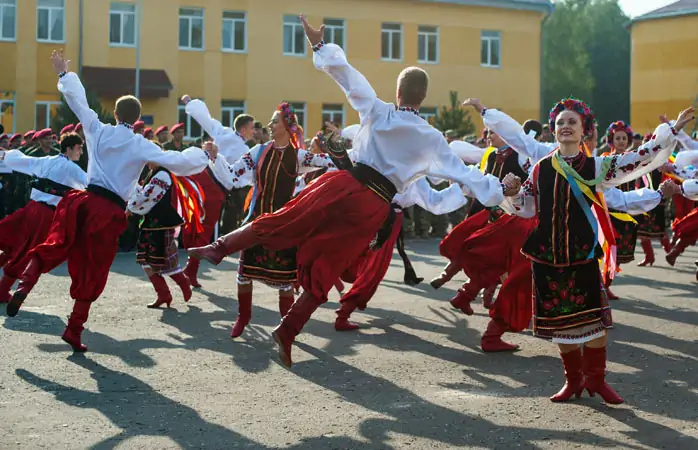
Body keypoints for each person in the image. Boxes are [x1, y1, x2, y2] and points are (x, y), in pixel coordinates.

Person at [188, 16, 519, 367]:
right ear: (423, 98)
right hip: (373, 206)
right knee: (329, 265)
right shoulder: (432, 139)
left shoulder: (378, 111)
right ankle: (287, 330)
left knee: (285, 219)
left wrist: (320, 46)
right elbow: (462, 178)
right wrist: (500, 187)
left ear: (398, 93)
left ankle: (218, 247)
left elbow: (349, 78)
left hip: (345, 184)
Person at [5, 50, 214, 354]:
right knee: (95, 268)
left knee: (55, 243)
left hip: (83, 200)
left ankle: (25, 284)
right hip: (109, 211)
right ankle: (73, 329)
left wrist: (64, 75)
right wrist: (205, 155)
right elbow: (176, 162)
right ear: (137, 119)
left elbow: (80, 105)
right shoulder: (141, 143)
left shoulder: (97, 129)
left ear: (115, 114)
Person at [501, 98, 692, 404]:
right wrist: (511, 193)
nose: (565, 127)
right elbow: (526, 207)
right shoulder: (540, 169)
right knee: (560, 323)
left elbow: (639, 158)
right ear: (553, 129)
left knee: (594, 321)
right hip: (547, 255)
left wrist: (670, 132)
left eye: (572, 123)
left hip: (582, 253)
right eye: (561, 122)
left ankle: (597, 381)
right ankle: (573, 381)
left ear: (584, 131)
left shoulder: (596, 166)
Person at [201, 102, 337, 338]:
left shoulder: (299, 157)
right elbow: (232, 177)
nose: (270, 125)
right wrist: (216, 157)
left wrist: (338, 143)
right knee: (244, 274)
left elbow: (333, 163)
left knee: (284, 281)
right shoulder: (258, 152)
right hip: (257, 222)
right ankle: (243, 318)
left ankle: (285, 328)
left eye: (275, 121)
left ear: (287, 125)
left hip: (284, 225)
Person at [335, 176, 469, 331]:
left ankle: (335, 301)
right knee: (373, 267)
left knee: (350, 256)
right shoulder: (414, 171)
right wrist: (460, 186)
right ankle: (344, 312)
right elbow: (434, 200)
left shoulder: (375, 154)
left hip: (364, 210)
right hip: (386, 217)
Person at [179, 96, 256, 288]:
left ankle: (190, 268)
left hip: (203, 179)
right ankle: (189, 269)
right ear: (244, 129)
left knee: (199, 226)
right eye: (252, 127)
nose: (254, 131)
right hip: (215, 189)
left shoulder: (224, 133)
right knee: (204, 230)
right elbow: (245, 178)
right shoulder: (245, 149)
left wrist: (190, 102)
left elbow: (205, 118)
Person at [0, 133, 87, 303]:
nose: (81, 152)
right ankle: (2, 291)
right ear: (69, 148)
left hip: (31, 208)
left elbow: (22, 161)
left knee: (15, 243)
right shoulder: (73, 169)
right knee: (26, 251)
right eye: (79, 148)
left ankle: (3, 289)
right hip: (46, 215)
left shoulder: (47, 160)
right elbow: (92, 184)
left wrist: (4, 154)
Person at [127, 143, 211, 308]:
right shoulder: (154, 172)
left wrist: (131, 207)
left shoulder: (163, 175)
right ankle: (163, 294)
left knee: (167, 263)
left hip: (161, 225)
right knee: (145, 262)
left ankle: (184, 284)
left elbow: (148, 197)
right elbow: (144, 194)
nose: (146, 162)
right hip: (150, 224)